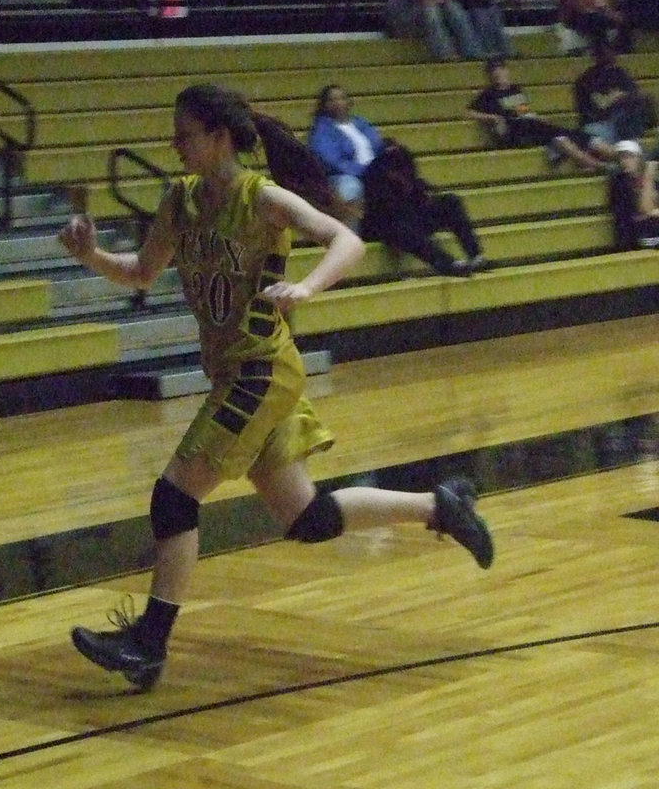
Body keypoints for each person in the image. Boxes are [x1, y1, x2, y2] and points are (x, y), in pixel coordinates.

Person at [62, 84, 494, 691]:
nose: (174, 144)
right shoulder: (180, 202)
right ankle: (440, 507)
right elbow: (140, 271)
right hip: (239, 371)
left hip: (262, 369)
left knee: (173, 497)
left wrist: (307, 288)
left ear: (217, 137)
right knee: (308, 518)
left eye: (184, 133)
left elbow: (348, 239)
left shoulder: (261, 198)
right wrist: (91, 256)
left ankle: (148, 644)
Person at [308, 84, 486, 276]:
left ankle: (476, 256)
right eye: (332, 99)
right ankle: (448, 264)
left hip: (387, 187)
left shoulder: (361, 123)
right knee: (399, 227)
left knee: (450, 202)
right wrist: (370, 171)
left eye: (341, 97)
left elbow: (380, 148)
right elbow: (332, 161)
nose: (338, 102)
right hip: (367, 196)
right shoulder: (321, 132)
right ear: (324, 105)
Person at [467, 57, 602, 170]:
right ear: (488, 75)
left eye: (500, 69)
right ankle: (595, 163)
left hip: (528, 125)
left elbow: (522, 110)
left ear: (506, 70)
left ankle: (596, 159)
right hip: (516, 132)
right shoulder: (488, 94)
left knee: (563, 137)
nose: (497, 73)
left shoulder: (516, 89)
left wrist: (534, 116)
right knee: (561, 135)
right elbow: (469, 112)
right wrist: (492, 118)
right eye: (493, 71)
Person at [573, 40, 656, 159]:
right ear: (596, 55)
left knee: (642, 103)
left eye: (611, 51)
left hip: (623, 121)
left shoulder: (620, 73)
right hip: (598, 125)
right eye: (605, 52)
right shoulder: (586, 80)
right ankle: (632, 157)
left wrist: (616, 98)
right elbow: (601, 106)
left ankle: (633, 154)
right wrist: (618, 97)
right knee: (621, 123)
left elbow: (635, 96)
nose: (611, 55)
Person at [608, 139, 659, 249]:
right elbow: (645, 209)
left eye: (630, 157)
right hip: (634, 236)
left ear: (639, 159)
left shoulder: (655, 182)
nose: (625, 161)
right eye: (621, 158)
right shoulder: (619, 183)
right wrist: (648, 177)